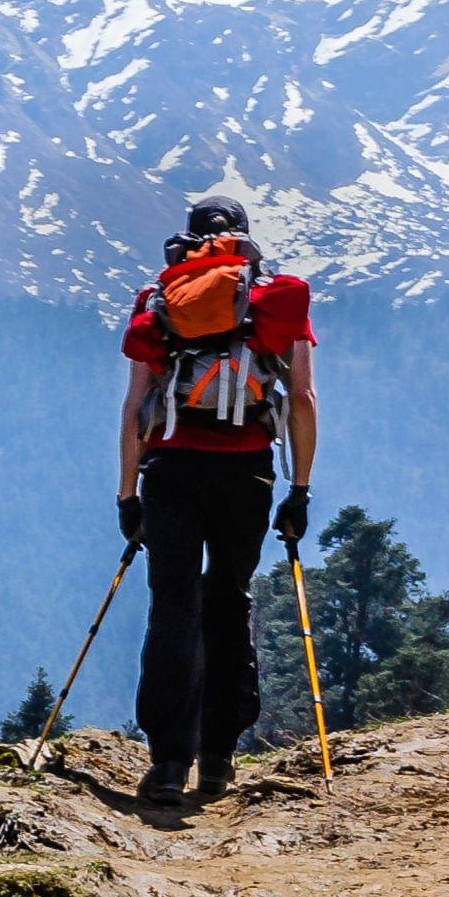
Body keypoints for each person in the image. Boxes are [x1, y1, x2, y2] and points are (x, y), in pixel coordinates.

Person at [114, 195, 318, 803]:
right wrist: (300, 490)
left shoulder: (161, 300)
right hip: (247, 474)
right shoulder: (271, 304)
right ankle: (219, 755)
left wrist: (128, 494)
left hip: (172, 471)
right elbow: (302, 399)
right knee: (228, 600)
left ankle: (168, 763)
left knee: (172, 605)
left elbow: (135, 408)